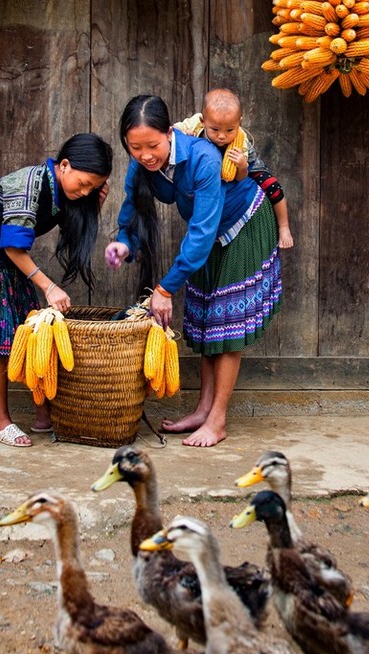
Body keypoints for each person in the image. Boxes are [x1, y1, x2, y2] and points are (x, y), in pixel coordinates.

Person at [104, 94, 282, 447]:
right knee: (204, 320)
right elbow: (132, 210)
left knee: (228, 323)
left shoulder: (202, 158)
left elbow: (199, 236)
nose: (145, 155)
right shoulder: (139, 163)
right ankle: (202, 409)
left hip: (242, 224)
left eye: (153, 145)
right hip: (211, 234)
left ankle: (217, 421)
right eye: (135, 147)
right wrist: (125, 242)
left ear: (170, 133)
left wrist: (166, 289)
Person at [0, 133, 113, 447]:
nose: (85, 191)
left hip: (8, 253)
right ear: (64, 166)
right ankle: (0, 422)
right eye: (83, 183)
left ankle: (42, 415)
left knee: (32, 330)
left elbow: (65, 229)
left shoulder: (62, 191)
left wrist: (93, 205)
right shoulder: (27, 186)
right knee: (1, 334)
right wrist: (49, 286)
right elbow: (12, 247)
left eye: (93, 187)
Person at [174, 88, 294, 249]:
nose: (222, 136)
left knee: (272, 185)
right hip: (211, 168)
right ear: (203, 121)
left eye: (230, 130)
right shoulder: (195, 123)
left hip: (244, 163)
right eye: (215, 129)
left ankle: (284, 226)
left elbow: (240, 178)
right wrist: (184, 135)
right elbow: (173, 131)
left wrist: (242, 166)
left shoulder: (242, 141)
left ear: (239, 122)